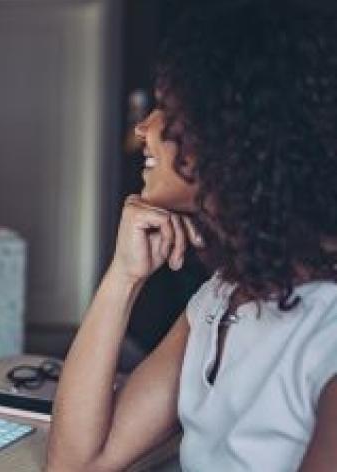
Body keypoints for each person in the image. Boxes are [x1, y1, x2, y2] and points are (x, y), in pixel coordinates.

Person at [47, 3, 337, 472]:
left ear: (230, 135)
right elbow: (78, 462)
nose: (144, 128)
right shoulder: (221, 297)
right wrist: (123, 276)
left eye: (167, 108)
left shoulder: (326, 331)